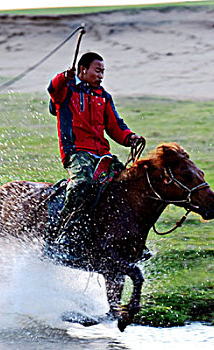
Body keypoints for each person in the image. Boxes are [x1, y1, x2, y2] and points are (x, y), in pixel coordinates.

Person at [47, 52, 143, 261]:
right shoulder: (67, 91)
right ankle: (63, 233)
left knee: (126, 185)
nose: (101, 75)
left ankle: (126, 239)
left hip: (102, 154)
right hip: (77, 152)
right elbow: (53, 89)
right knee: (81, 184)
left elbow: (115, 126)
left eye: (103, 72)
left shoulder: (103, 96)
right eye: (97, 70)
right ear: (83, 70)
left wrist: (130, 138)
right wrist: (65, 76)